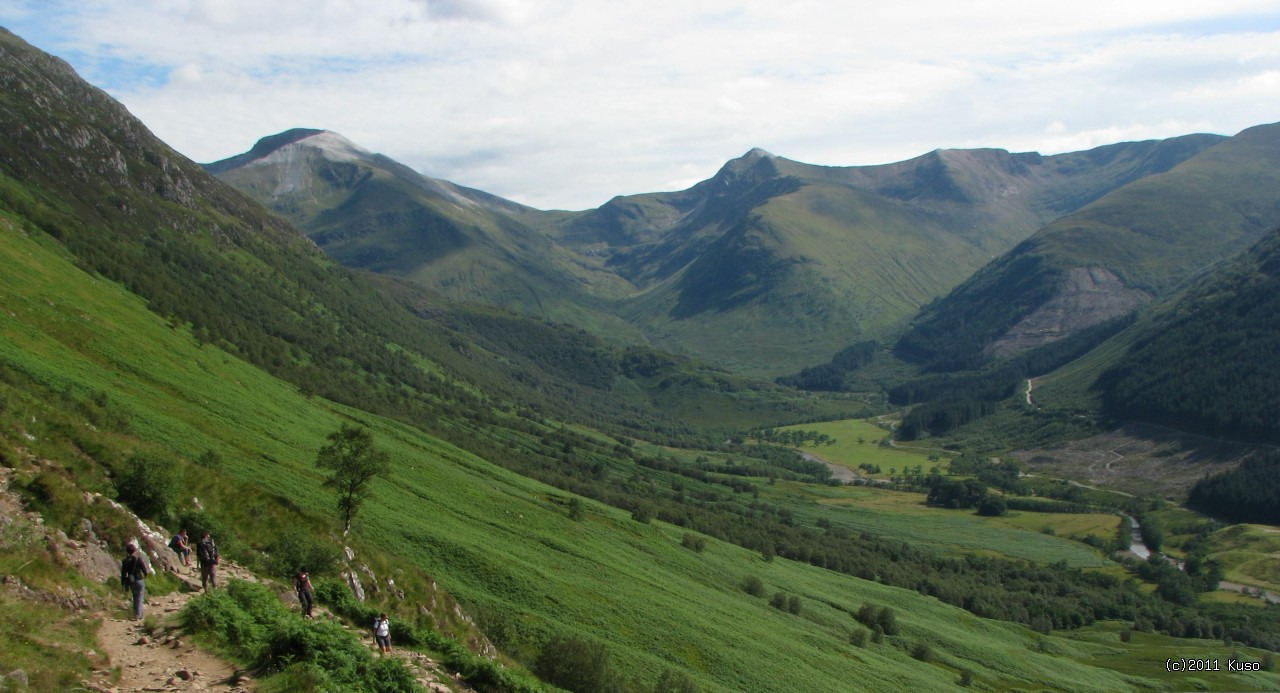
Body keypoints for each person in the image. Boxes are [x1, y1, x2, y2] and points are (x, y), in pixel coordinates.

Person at [120, 543, 150, 620]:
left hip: (131, 581)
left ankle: (137, 613)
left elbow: (123, 573)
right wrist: (146, 575)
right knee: (140, 597)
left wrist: (123, 583)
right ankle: (139, 615)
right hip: (139, 579)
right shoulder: (137, 559)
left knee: (135, 596)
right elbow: (143, 568)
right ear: (134, 550)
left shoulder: (125, 561)